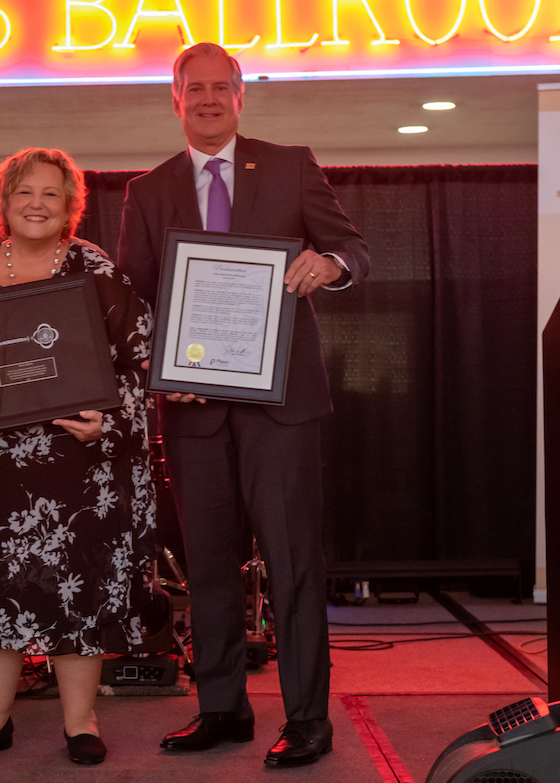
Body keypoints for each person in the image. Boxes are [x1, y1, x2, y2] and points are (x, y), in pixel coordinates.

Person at [116, 43, 370, 768]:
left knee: (290, 563)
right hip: (194, 410)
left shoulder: (290, 165)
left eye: (219, 87)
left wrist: (333, 264)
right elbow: (133, 296)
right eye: (192, 88)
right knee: (208, 569)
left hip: (281, 405)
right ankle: (221, 708)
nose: (206, 98)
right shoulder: (149, 188)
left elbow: (352, 246)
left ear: (240, 95)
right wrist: (160, 365)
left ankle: (306, 718)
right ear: (175, 98)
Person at [0, 147, 156, 766]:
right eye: (24, 192)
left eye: (52, 194)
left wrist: (105, 419)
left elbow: (141, 360)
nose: (36, 204)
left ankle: (80, 722)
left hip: (74, 468)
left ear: (72, 206)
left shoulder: (94, 268)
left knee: (73, 589)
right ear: (2, 203)